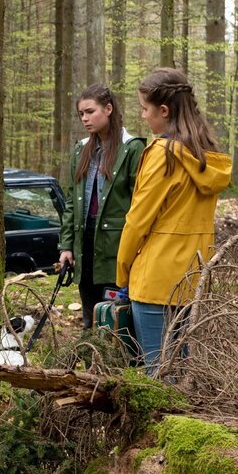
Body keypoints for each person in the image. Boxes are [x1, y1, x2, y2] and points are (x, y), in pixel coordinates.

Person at [116, 67, 232, 374]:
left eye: (145, 109)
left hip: (154, 278)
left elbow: (138, 221)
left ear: (164, 110)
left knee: (157, 374)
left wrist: (123, 273)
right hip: (192, 276)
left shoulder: (161, 154)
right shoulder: (208, 157)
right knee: (180, 373)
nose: (143, 116)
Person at [58, 84, 146, 329]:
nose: (85, 119)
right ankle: (91, 355)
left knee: (116, 315)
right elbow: (71, 202)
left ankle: (119, 362)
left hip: (117, 245)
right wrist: (66, 244)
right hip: (84, 241)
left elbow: (140, 203)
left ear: (108, 109)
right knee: (90, 314)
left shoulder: (132, 148)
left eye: (90, 111)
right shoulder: (81, 149)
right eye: (81, 114)